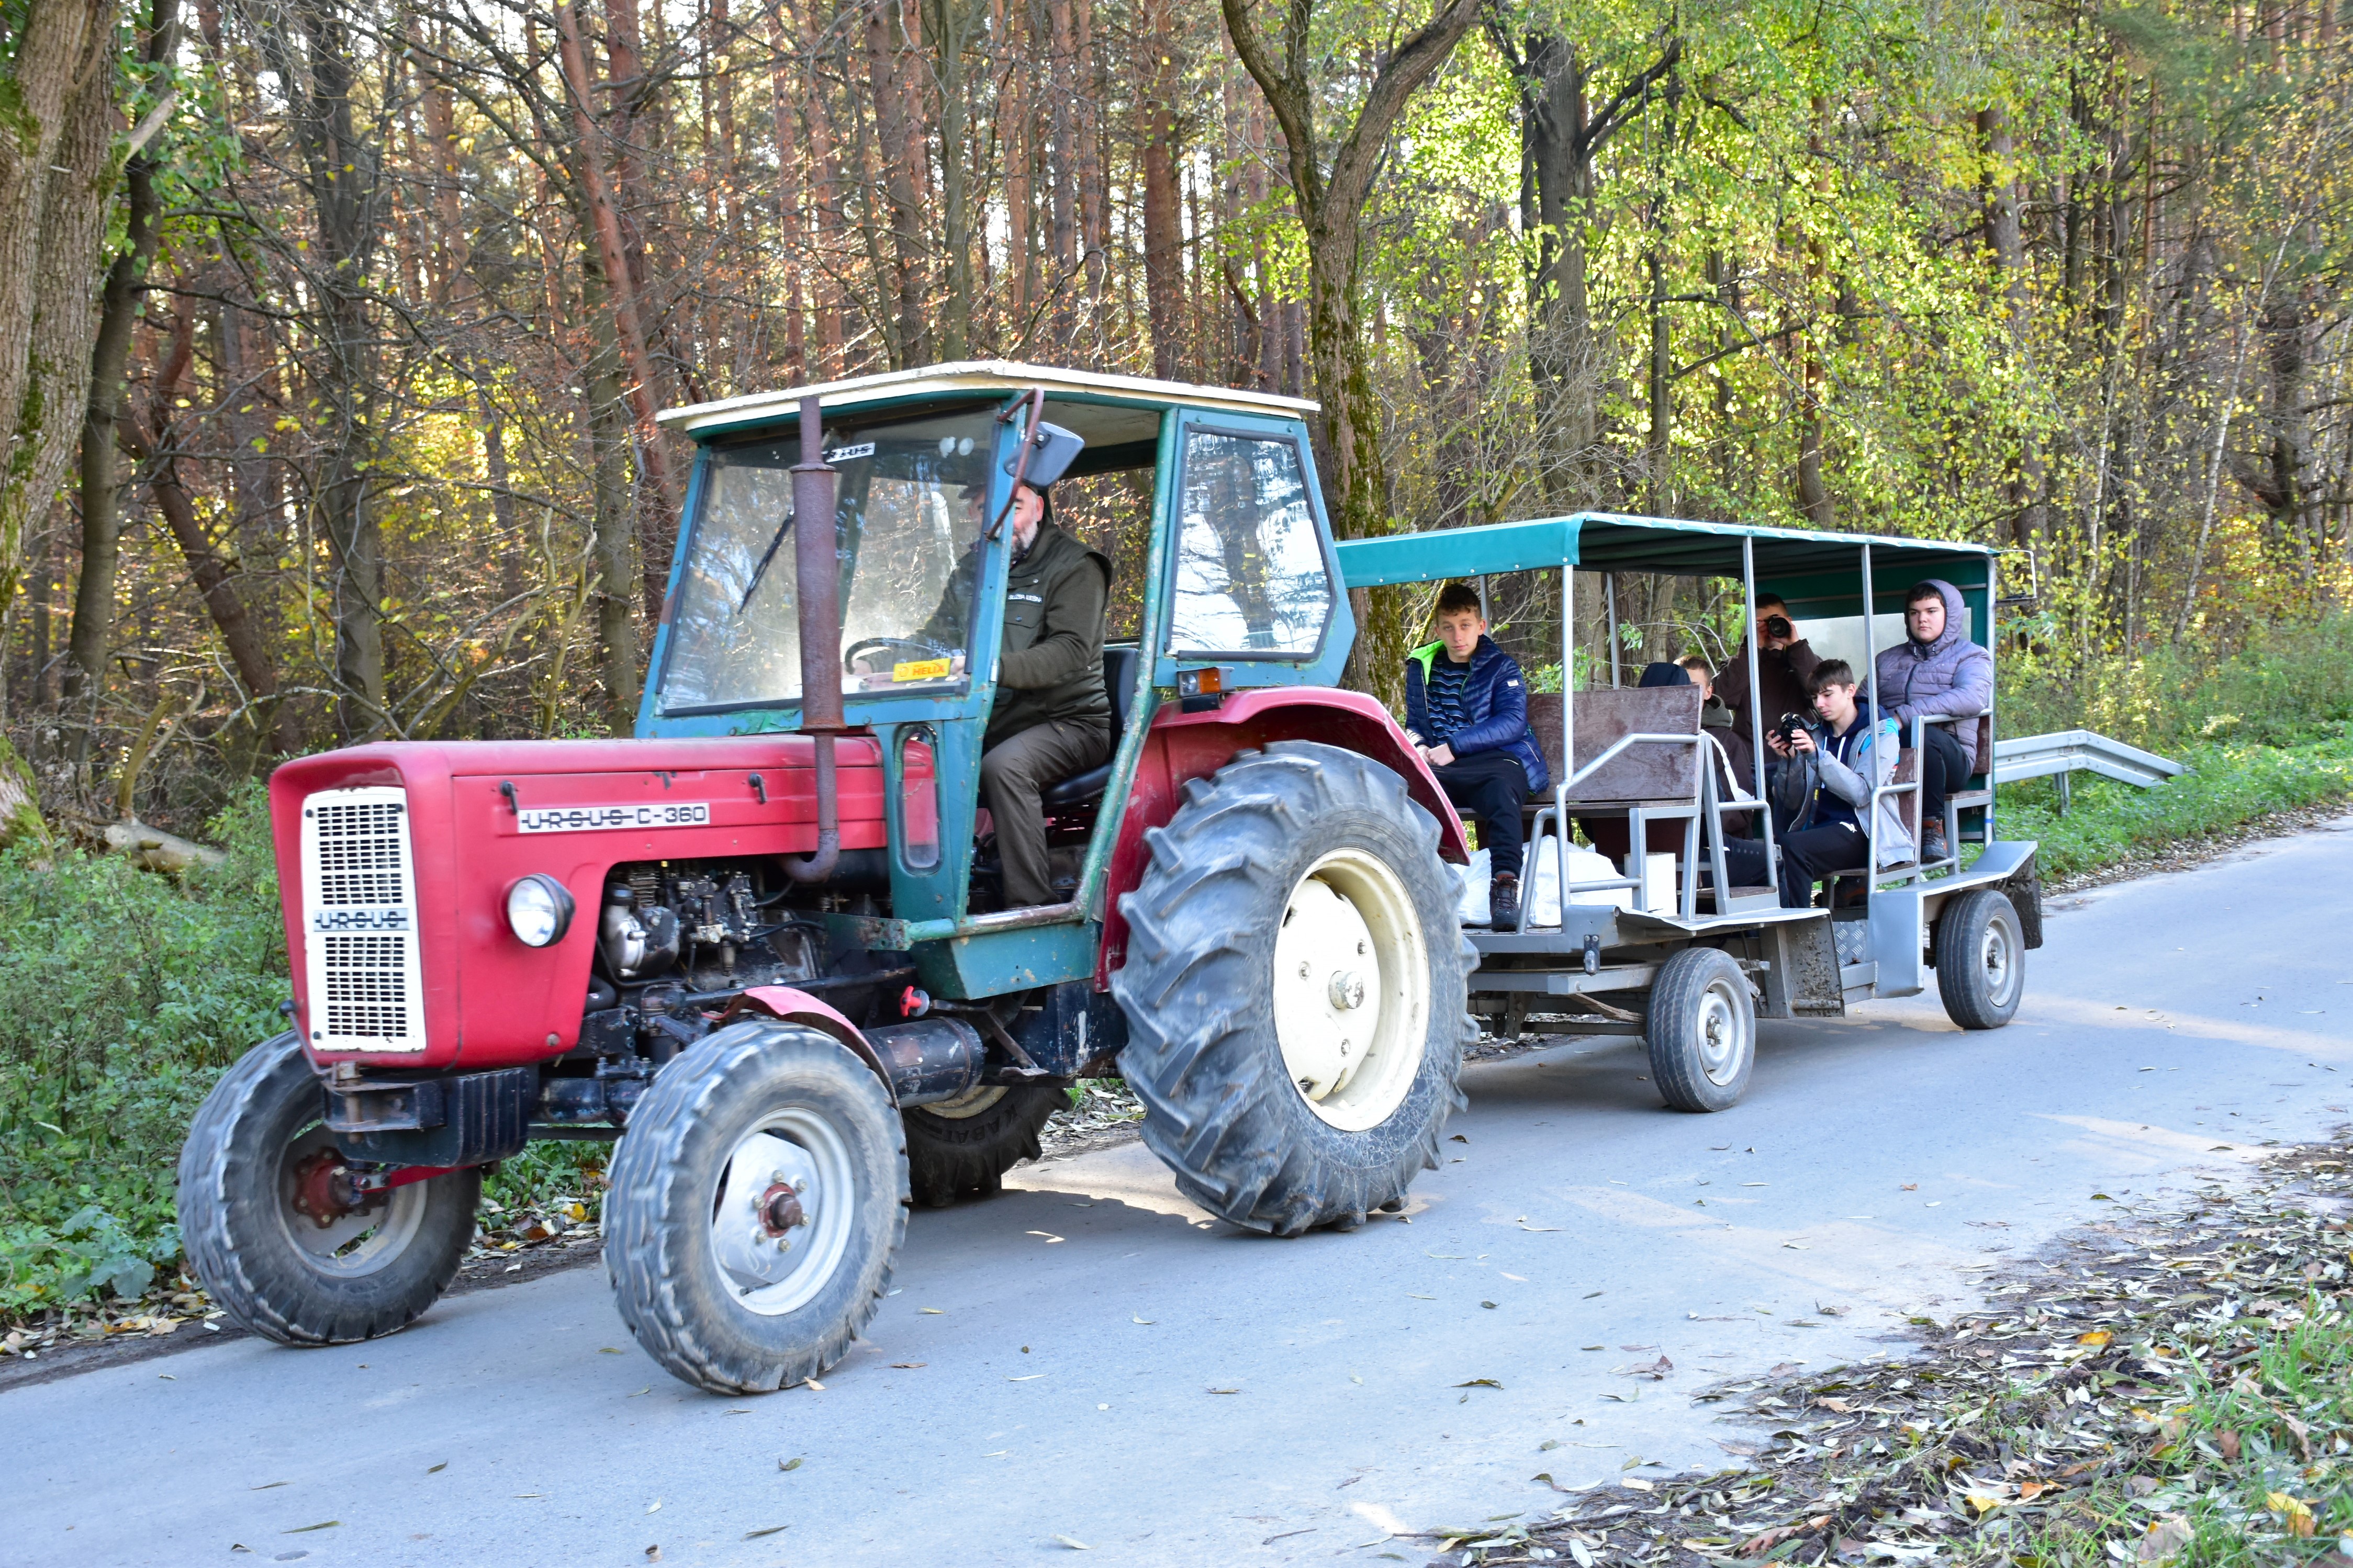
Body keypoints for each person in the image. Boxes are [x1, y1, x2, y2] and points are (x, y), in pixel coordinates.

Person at [959, 480, 1114, 908]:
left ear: (1039, 509)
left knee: (1005, 768)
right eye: (984, 508)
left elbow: (1069, 651)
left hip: (1069, 723)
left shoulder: (1076, 566)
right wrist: (878, 664)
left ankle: (1030, 909)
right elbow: (937, 635)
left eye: (1016, 506)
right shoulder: (971, 570)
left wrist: (989, 669)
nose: (1000, 521)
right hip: (992, 721)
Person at [1404, 582, 1550, 929]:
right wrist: (1420, 745)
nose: (1458, 636)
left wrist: (1454, 746)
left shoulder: (1502, 667)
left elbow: (1512, 722)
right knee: (1405, 792)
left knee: (1502, 795)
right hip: (1443, 767)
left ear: (1481, 626)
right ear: (1438, 629)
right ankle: (1420, 891)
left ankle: (1503, 889)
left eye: (1466, 625)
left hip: (1497, 761)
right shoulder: (1421, 667)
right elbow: (1414, 723)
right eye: (1449, 627)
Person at [1766, 659, 1914, 909]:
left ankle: (1798, 931)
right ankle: (1769, 931)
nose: (1820, 704)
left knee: (1792, 848)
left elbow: (1861, 794)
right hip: (1821, 829)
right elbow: (1791, 802)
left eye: (1827, 695)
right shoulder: (1816, 736)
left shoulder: (1881, 734)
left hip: (1865, 831)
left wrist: (1817, 756)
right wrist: (1789, 762)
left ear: (1850, 692)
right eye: (1814, 698)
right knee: (1771, 852)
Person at [1873, 580, 1992, 864]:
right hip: (1891, 754)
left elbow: (1972, 697)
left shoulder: (1971, 655)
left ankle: (1932, 829)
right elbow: (1863, 703)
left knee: (1921, 734)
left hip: (1949, 760)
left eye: (1931, 611)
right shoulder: (1887, 660)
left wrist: (1904, 716)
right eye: (1914, 613)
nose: (1922, 618)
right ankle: (1857, 869)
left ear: (1949, 615)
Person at [1715, 593, 1821, 750]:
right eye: (1759, 623)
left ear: (1789, 622)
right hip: (1751, 759)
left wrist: (1795, 645)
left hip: (1799, 757)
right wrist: (1753, 647)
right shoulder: (1740, 663)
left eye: (1775, 619)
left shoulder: (1804, 658)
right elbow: (1724, 699)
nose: (1768, 627)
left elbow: (1819, 694)